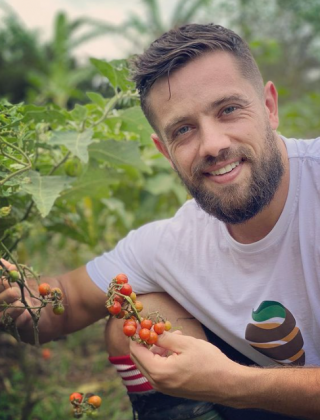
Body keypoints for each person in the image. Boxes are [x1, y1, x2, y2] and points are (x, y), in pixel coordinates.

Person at [1, 23, 319, 420]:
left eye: (229, 110)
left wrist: (232, 382)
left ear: (269, 107)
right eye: (183, 130)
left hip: (254, 391)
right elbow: (60, 303)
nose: (214, 144)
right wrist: (15, 294)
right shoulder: (170, 244)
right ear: (165, 152)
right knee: (136, 315)